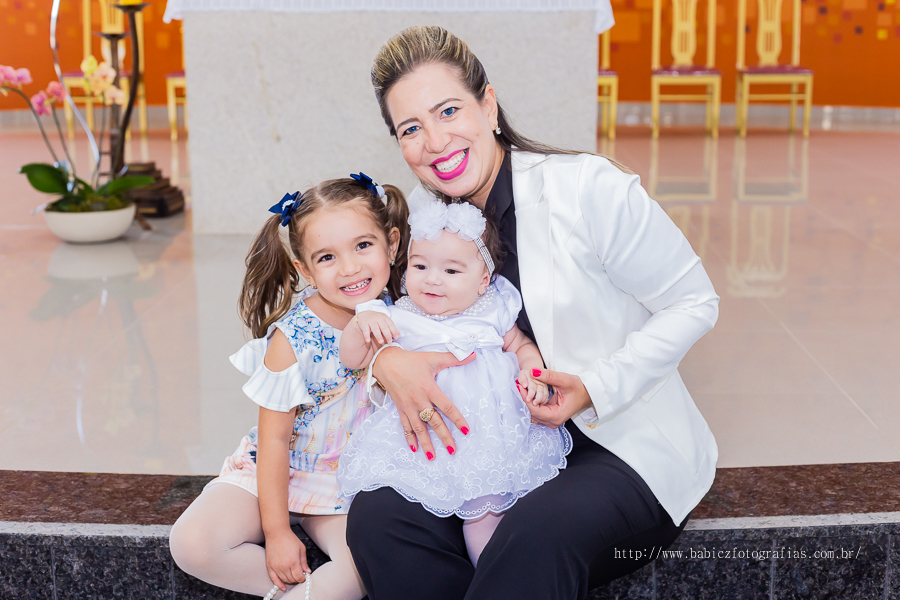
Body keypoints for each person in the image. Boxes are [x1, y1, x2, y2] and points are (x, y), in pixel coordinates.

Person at [345, 26, 721, 600]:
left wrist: (594, 386)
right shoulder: (422, 217)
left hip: (612, 443)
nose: (435, 141)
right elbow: (393, 318)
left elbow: (694, 301)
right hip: (483, 444)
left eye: (448, 111)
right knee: (378, 520)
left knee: (533, 535)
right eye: (411, 128)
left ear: (488, 104)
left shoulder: (588, 188)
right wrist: (386, 364)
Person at [169, 175, 409, 600]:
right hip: (278, 469)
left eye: (363, 246)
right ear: (304, 269)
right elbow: (275, 441)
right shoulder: (292, 339)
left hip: (343, 485)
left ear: (391, 244)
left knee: (365, 568)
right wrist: (277, 532)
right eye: (327, 257)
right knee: (191, 542)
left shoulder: (403, 314)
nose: (351, 267)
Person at [337, 198, 569, 567]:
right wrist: (359, 323)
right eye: (420, 265)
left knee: (484, 519)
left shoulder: (493, 307)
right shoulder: (399, 315)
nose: (432, 278)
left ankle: (492, 582)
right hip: (426, 436)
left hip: (489, 435)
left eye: (451, 271)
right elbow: (353, 357)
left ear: (482, 281)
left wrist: (531, 372)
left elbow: (521, 345)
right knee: (418, 501)